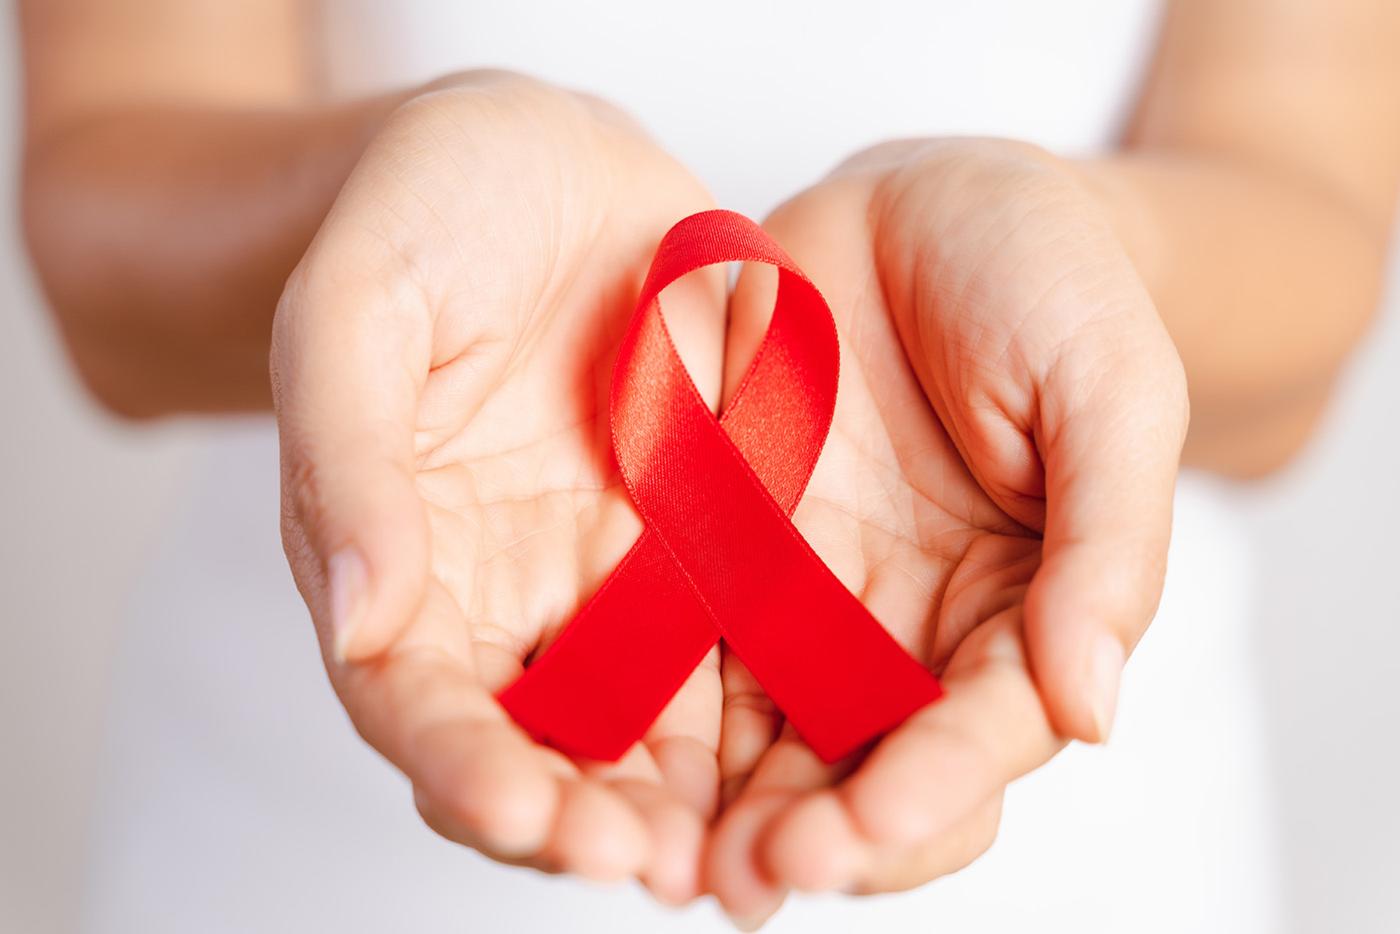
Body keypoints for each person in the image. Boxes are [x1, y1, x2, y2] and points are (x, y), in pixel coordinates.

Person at [18, 1, 1399, 930]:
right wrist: (390, 199)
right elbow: (100, 224)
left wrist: (1091, 257)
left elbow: (1311, 239)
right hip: (300, 825)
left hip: (1084, 830)